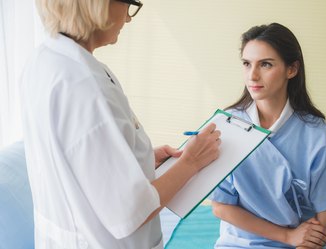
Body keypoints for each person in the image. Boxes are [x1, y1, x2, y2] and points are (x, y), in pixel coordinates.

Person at [20, 0, 221, 248]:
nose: (128, 18)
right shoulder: (85, 86)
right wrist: (192, 161)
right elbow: (130, 213)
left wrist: (140, 158)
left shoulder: (45, 59)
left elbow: (80, 158)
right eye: (129, 4)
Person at [209, 23, 326, 249]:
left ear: (292, 69)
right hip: (241, 242)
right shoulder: (228, 126)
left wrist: (302, 243)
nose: (253, 75)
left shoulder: (317, 133)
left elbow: (325, 217)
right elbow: (221, 207)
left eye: (265, 64)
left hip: (304, 242)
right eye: (247, 64)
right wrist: (286, 236)